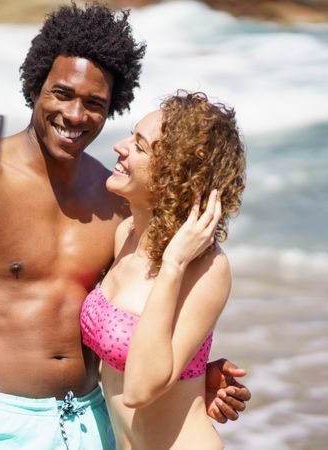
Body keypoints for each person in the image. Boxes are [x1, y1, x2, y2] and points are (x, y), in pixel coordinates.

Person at [0, 4, 250, 449]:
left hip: (92, 422)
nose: (75, 114)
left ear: (111, 109)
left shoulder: (114, 195)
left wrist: (190, 374)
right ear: (34, 86)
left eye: (94, 104)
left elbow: (143, 309)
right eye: (61, 93)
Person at [80, 91, 246, 449]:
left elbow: (139, 390)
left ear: (173, 177)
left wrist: (172, 265)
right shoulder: (124, 235)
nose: (120, 147)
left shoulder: (206, 268)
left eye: (139, 147)